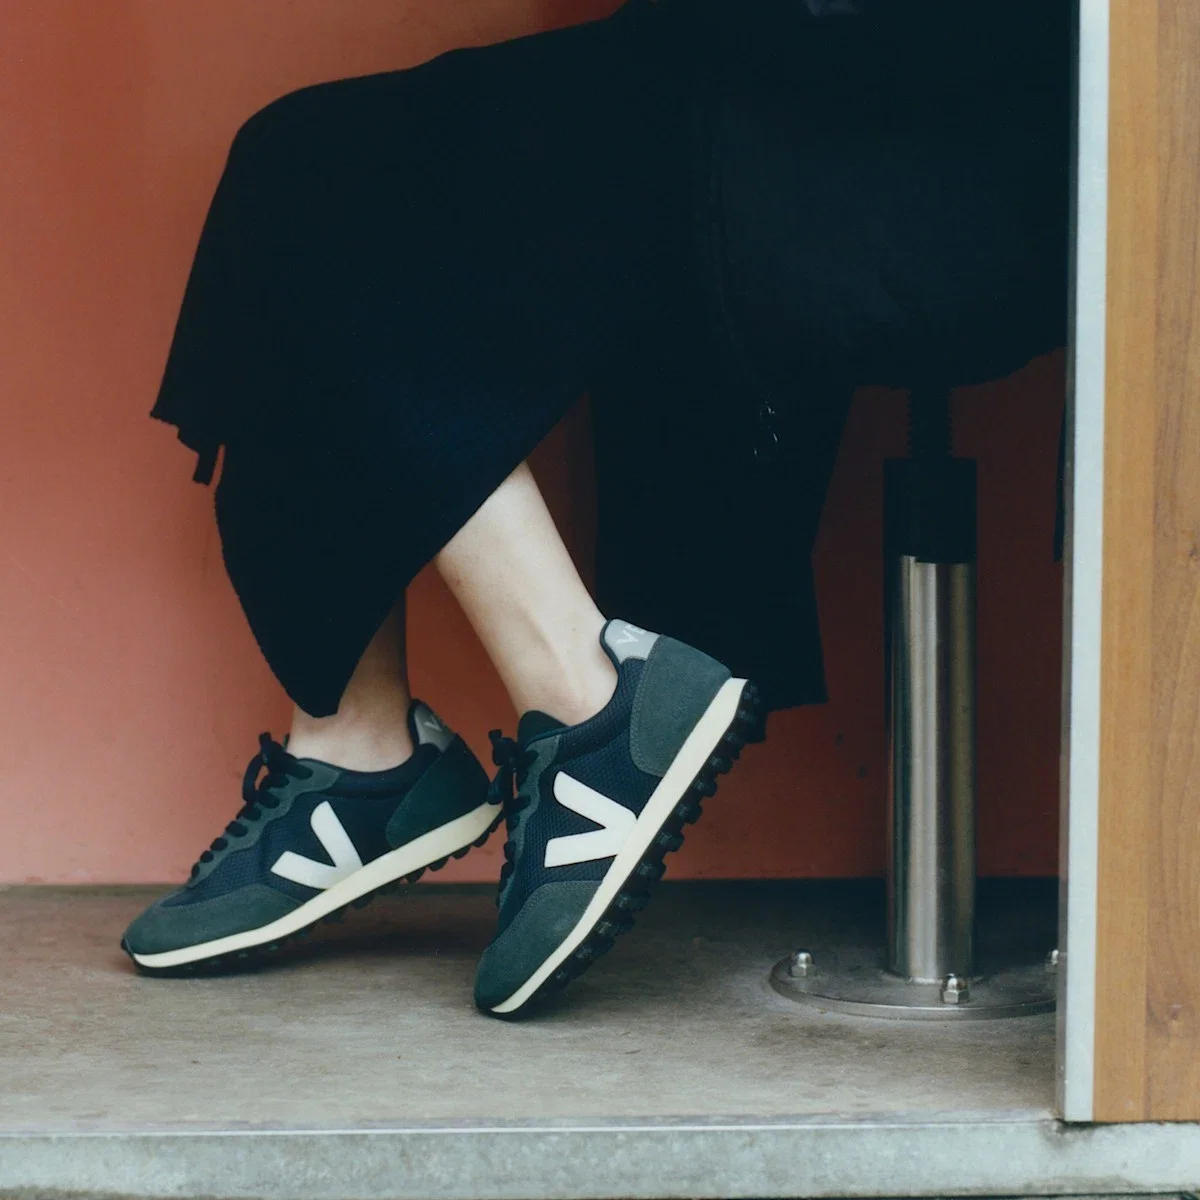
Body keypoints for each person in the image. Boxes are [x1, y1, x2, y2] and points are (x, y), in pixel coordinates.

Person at [121, 0, 1069, 1018]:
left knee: (318, 180)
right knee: (295, 157)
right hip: (771, 75)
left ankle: (586, 699)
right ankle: (361, 745)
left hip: (925, 135)